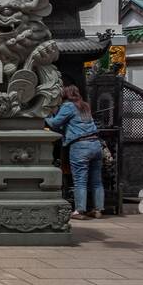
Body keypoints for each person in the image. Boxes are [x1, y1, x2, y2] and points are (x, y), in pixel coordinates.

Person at [46, 84, 103, 220]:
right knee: (96, 181)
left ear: (65, 95)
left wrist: (44, 116)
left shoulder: (68, 106)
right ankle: (98, 209)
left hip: (80, 146)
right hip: (96, 144)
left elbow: (55, 123)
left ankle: (79, 211)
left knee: (80, 181)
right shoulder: (84, 105)